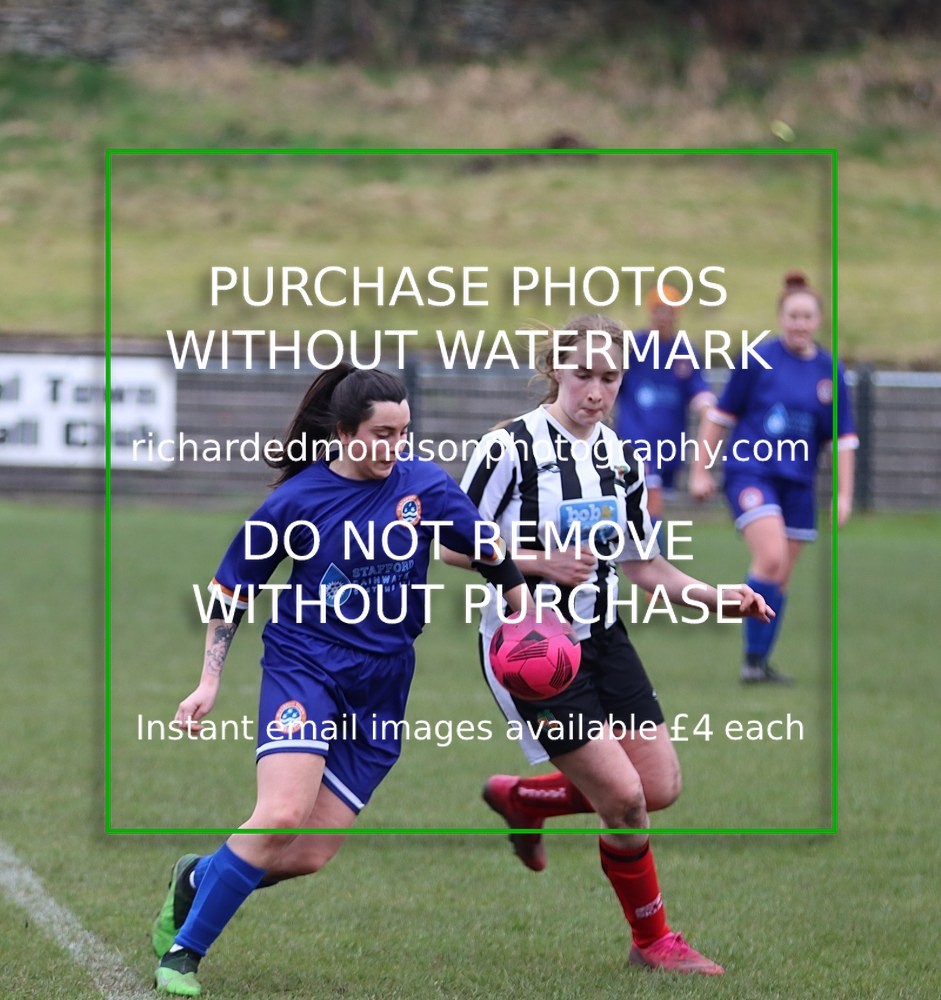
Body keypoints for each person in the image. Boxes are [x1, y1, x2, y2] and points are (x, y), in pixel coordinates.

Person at [150, 363, 528, 997]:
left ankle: (197, 877)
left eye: (403, 433)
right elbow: (229, 591)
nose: (394, 447)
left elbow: (486, 547)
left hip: (383, 683)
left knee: (307, 854)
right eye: (381, 434)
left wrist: (519, 599)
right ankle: (185, 953)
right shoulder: (295, 503)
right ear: (346, 433)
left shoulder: (427, 488)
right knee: (280, 815)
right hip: (308, 667)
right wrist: (208, 680)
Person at [450, 315, 773, 976]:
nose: (595, 390)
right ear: (554, 369)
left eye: (609, 377)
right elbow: (454, 545)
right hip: (531, 648)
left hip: (601, 637)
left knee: (658, 786)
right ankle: (652, 941)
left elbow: (644, 567)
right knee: (623, 801)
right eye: (582, 375)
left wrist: (721, 595)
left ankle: (522, 798)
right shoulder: (508, 447)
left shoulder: (620, 458)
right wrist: (537, 564)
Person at [688, 270, 858, 683]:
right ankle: (752, 662)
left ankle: (756, 662)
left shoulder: (829, 372)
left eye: (807, 316)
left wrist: (845, 495)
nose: (800, 323)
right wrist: (700, 469)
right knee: (771, 556)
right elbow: (720, 417)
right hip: (752, 473)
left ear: (818, 320)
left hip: (797, 483)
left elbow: (844, 440)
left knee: (779, 575)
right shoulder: (757, 360)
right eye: (793, 315)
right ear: (781, 317)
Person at [615, 285, 716, 524]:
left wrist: (709, 410)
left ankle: (643, 556)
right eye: (658, 310)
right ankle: (652, 558)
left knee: (649, 509)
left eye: (669, 310)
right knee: (651, 502)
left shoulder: (684, 350)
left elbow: (699, 392)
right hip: (635, 440)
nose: (663, 316)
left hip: (669, 444)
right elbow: (612, 385)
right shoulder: (634, 347)